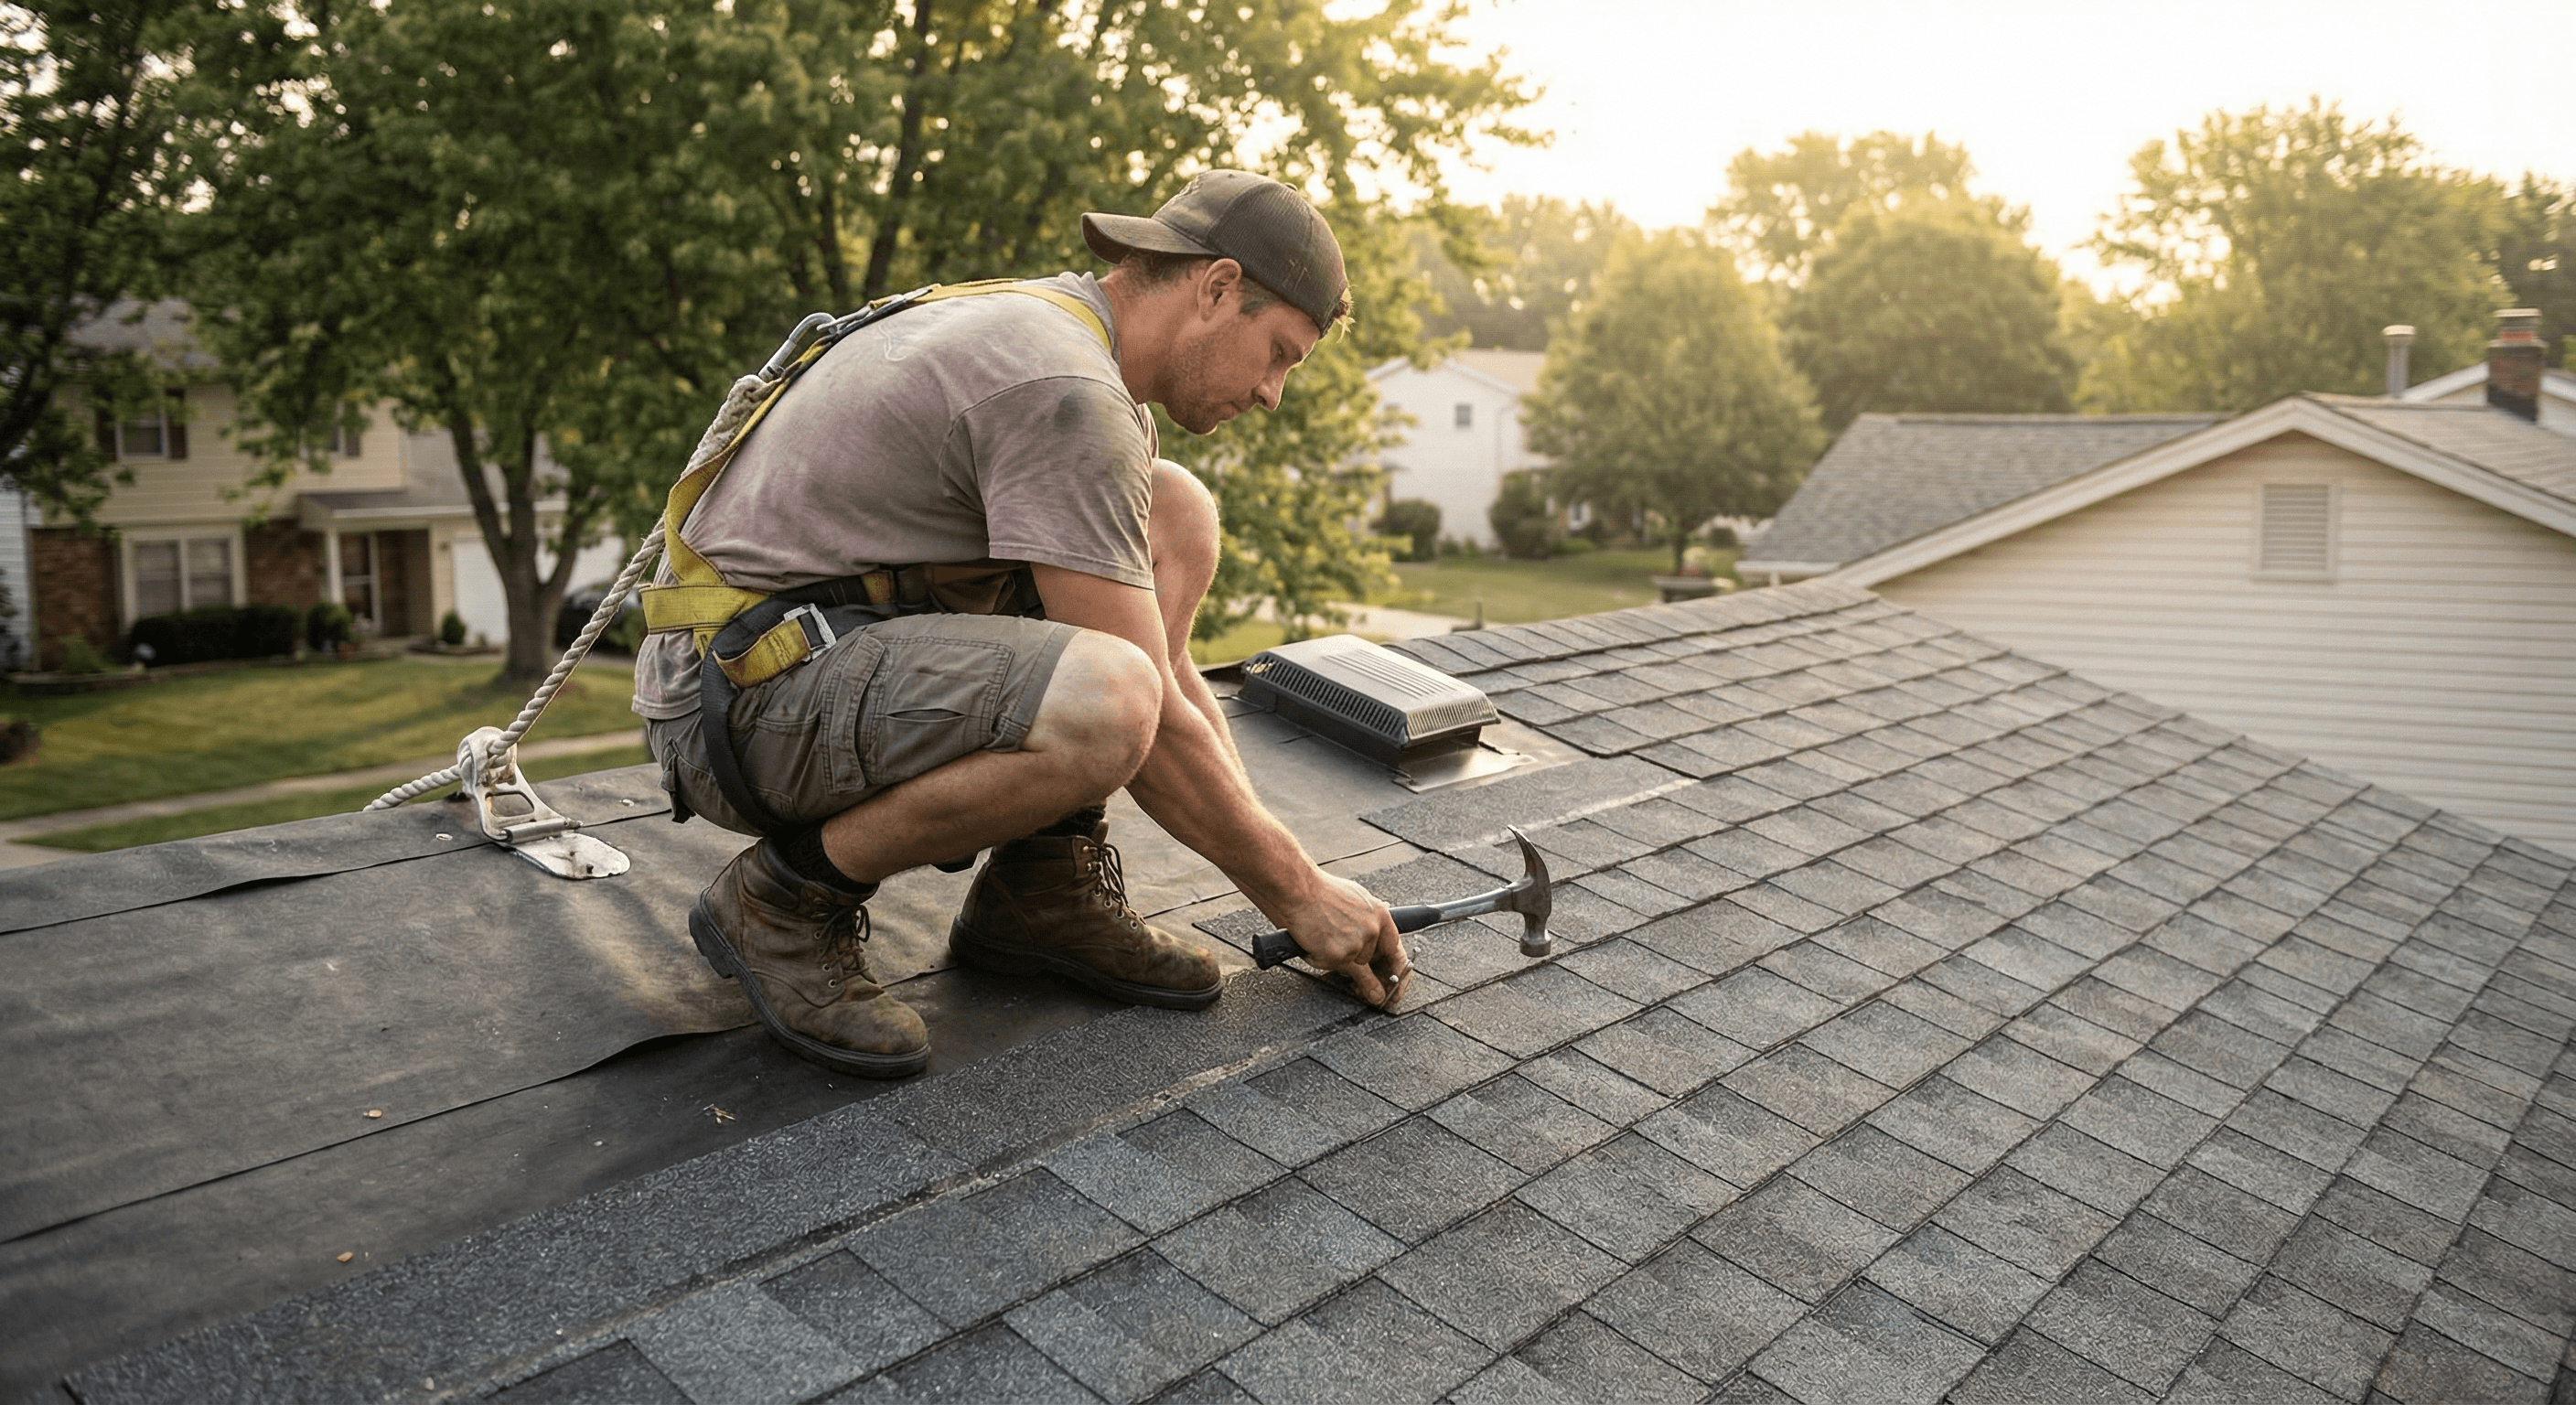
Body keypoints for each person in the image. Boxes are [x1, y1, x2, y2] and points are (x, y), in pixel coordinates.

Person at [631, 170, 1411, 1078]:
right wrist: (1298, 895)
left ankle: (1041, 891)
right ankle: (781, 900)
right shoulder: (1067, 391)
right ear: (1217, 287)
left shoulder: (1065, 341)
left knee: (1173, 515)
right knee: (1109, 701)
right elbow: (1146, 713)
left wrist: (1297, 871)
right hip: (733, 703)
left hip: (794, 653)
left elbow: (1168, 672)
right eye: (1278, 354)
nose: (1273, 392)